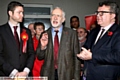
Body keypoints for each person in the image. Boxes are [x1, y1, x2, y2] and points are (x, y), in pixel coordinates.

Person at [77, 1, 120, 80]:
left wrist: (92, 56)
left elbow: (117, 56)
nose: (97, 16)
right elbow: (86, 46)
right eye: (97, 13)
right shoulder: (94, 31)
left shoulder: (117, 32)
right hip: (88, 75)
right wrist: (83, 52)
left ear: (112, 15)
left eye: (102, 13)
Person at [36, 7, 81, 80]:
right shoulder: (45, 34)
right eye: (53, 15)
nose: (55, 18)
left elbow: (76, 57)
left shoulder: (71, 34)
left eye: (58, 16)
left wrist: (76, 77)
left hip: (66, 74)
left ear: (63, 19)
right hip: (49, 74)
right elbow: (40, 56)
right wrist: (43, 47)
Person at [0, 1, 35, 79]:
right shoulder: (1, 31)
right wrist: (13, 72)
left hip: (25, 75)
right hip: (7, 75)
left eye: (22, 12)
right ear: (10, 13)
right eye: (19, 12)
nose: (22, 15)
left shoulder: (27, 31)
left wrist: (26, 70)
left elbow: (31, 53)